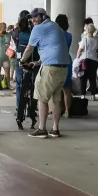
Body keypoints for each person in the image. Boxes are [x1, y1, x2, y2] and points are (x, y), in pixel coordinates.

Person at [20, 8, 69, 138]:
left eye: (35, 17)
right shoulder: (55, 26)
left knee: (42, 98)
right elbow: (53, 46)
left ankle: (42, 129)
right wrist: (39, 61)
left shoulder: (38, 28)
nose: (32, 20)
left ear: (43, 16)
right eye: (31, 17)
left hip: (50, 68)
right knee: (56, 99)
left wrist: (22, 60)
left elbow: (29, 48)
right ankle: (55, 129)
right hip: (62, 67)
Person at [77, 23, 98, 101]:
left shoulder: (85, 39)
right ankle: (93, 95)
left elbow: (80, 49)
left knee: (83, 78)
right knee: (92, 78)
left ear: (87, 30)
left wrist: (77, 58)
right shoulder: (96, 39)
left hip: (85, 60)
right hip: (94, 60)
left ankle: (83, 95)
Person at [55, 14, 73, 117]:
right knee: (67, 88)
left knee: (57, 88)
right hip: (68, 59)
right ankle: (67, 111)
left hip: (58, 60)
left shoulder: (55, 34)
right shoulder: (69, 35)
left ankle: (58, 109)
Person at [0, 22, 12, 90]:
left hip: (6, 55)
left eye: (5, 26)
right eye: (2, 26)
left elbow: (8, 43)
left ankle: (8, 84)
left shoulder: (8, 35)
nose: (4, 28)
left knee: (7, 70)